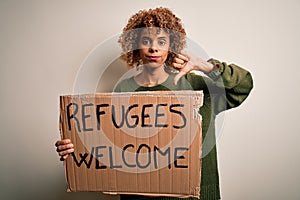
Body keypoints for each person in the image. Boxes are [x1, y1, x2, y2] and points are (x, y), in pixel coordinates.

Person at [55, 7, 253, 200]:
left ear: (171, 46)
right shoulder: (123, 90)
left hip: (196, 194)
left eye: (162, 41)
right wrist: (76, 148)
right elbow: (111, 144)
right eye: (146, 40)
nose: (154, 48)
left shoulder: (196, 86)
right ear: (136, 47)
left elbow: (243, 86)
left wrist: (205, 66)